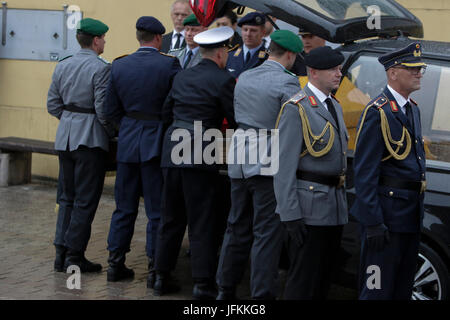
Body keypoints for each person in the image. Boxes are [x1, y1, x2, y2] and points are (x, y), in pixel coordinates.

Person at [216, 30, 303, 300]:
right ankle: (261, 295)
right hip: (267, 159)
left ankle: (225, 289)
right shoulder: (289, 83)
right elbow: (293, 124)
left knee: (235, 225)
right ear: (289, 55)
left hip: (240, 155)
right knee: (266, 232)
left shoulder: (247, 75)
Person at [153, 26, 237, 300]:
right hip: (202, 151)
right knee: (202, 220)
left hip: (173, 147)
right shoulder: (224, 80)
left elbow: (166, 112)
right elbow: (233, 118)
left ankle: (160, 276)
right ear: (222, 52)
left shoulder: (182, 75)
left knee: (171, 218)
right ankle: (202, 284)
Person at [104, 16, 181, 285]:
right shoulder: (169, 64)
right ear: (159, 38)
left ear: (139, 37)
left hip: (127, 142)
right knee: (157, 211)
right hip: (156, 143)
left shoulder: (120, 64)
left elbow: (108, 109)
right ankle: (154, 267)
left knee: (123, 208)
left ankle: (115, 263)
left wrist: (126, 127)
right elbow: (175, 105)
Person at [351, 42, 427, 300]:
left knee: (401, 289)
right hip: (386, 218)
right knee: (376, 290)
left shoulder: (412, 109)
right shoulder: (378, 112)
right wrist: (372, 222)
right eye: (413, 68)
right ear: (393, 72)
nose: (419, 73)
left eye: (420, 69)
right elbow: (364, 173)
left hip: (408, 216)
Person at [273, 46, 349, 299]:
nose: (339, 74)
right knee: (303, 281)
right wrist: (290, 214)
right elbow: (283, 167)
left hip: (333, 207)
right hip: (308, 210)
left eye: (340, 68)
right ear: (314, 72)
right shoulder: (297, 108)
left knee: (323, 279)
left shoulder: (333, 105)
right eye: (334, 69)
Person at [47, 18, 114, 273]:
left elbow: (53, 105)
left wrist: (69, 121)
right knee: (85, 200)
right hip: (90, 139)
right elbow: (102, 110)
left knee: (66, 197)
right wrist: (109, 133)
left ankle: (60, 252)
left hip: (65, 137)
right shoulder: (101, 68)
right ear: (96, 41)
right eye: (103, 38)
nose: (104, 42)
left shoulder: (63, 65)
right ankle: (74, 256)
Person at [226, 12, 268, 79]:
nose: (248, 34)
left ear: (263, 33)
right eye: (245, 30)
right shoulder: (229, 56)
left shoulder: (267, 59)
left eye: (253, 30)